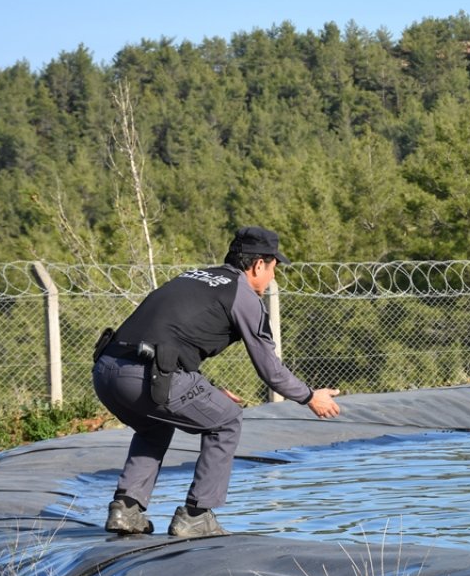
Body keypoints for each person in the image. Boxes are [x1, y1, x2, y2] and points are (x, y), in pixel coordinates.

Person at [91, 226, 341, 538]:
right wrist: (309, 396)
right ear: (258, 265)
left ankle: (126, 508)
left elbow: (170, 336)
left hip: (106, 370)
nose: (273, 279)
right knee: (227, 421)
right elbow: (270, 370)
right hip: (146, 376)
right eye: (274, 269)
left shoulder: (194, 276)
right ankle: (197, 514)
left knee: (154, 426)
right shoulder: (244, 296)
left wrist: (199, 386)